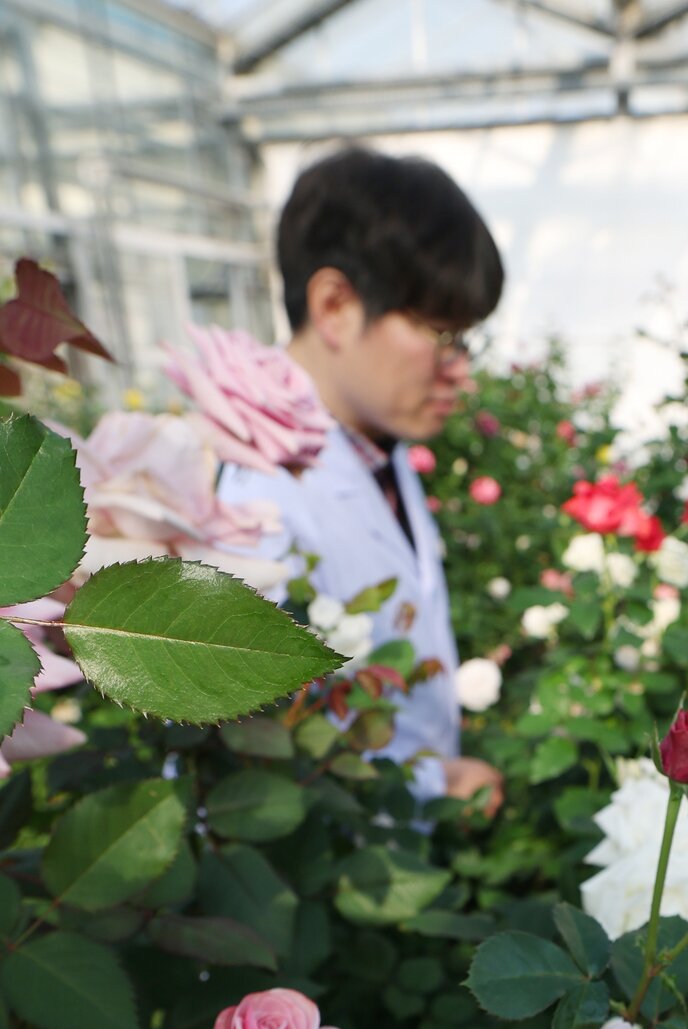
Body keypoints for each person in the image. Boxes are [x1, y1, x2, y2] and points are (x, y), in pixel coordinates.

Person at [221, 147, 505, 810]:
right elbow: (251, 758)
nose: (460, 370)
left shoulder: (378, 445)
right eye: (442, 334)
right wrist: (432, 782)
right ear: (336, 305)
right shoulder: (249, 499)